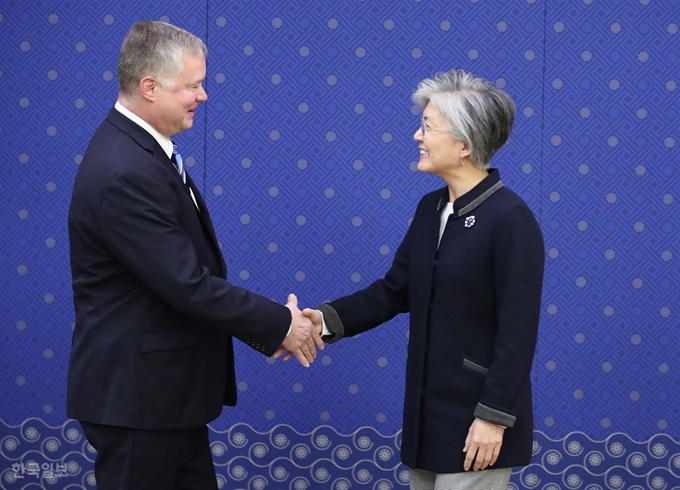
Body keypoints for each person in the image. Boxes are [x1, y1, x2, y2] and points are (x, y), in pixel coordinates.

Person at [67, 21, 322, 490]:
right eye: (193, 85)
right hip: (140, 405)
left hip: (165, 401)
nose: (202, 96)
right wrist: (282, 325)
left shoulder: (142, 154)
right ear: (149, 87)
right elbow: (186, 283)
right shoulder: (127, 171)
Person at [282, 70, 545, 490]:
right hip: (428, 422)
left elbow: (518, 333)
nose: (416, 136)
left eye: (427, 127)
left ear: (464, 144)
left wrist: (493, 418)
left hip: (479, 426)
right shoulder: (430, 209)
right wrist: (323, 321)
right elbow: (393, 291)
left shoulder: (512, 220)